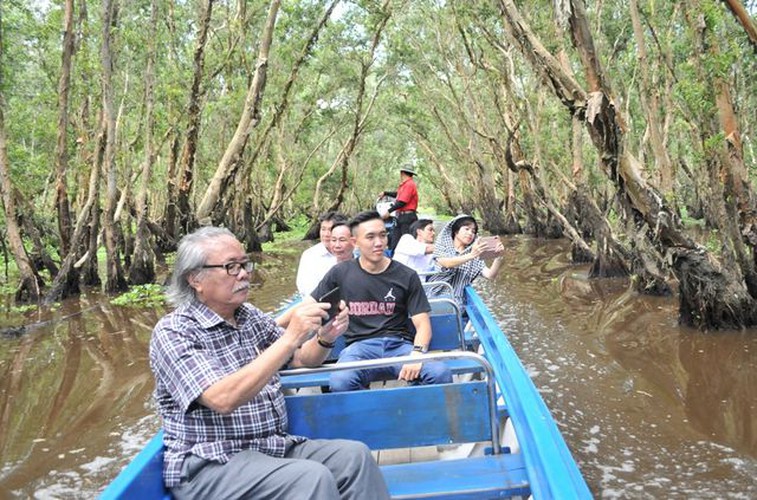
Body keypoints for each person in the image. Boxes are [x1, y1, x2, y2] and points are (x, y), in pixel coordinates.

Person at [150, 226, 389, 499]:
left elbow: (299, 359)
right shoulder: (174, 331)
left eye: (244, 264)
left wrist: (324, 337)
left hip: (270, 446)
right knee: (310, 478)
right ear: (195, 279)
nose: (243, 274)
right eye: (231, 267)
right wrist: (290, 338)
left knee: (354, 457)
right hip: (211, 462)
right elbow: (222, 398)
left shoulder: (248, 315)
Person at [308, 211, 452, 392]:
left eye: (383, 235)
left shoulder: (406, 275)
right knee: (340, 381)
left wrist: (416, 353)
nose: (379, 243)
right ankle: (368, 417)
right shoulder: (340, 273)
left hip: (399, 346)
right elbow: (310, 305)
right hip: (358, 349)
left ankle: (420, 416)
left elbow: (422, 325)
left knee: (440, 373)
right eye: (370, 237)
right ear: (355, 242)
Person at [427, 214, 505, 309]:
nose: (470, 233)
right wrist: (471, 255)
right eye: (466, 229)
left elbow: (490, 275)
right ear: (456, 231)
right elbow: (446, 263)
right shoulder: (443, 247)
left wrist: (498, 256)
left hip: (458, 303)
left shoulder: (474, 253)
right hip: (436, 298)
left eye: (473, 231)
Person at [295, 211, 347, 297]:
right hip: (318, 304)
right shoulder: (310, 256)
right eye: (323, 229)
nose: (326, 234)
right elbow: (306, 289)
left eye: (330, 230)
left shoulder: (351, 251)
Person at [380, 167, 419, 251]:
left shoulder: (409, 184)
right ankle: (393, 258)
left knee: (407, 243)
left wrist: (388, 211)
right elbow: (398, 195)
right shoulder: (405, 185)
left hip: (407, 218)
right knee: (395, 241)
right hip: (401, 217)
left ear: (402, 173)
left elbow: (402, 202)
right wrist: (386, 193)